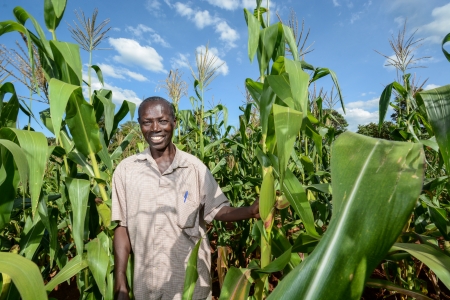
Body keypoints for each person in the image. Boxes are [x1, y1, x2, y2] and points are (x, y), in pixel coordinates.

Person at [112, 96, 259, 300]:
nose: (155, 128)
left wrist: (250, 211)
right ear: (140, 125)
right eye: (147, 122)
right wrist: (120, 280)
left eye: (163, 121)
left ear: (174, 122)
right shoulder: (126, 170)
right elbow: (123, 227)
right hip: (146, 286)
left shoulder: (195, 168)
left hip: (191, 285)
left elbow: (217, 209)